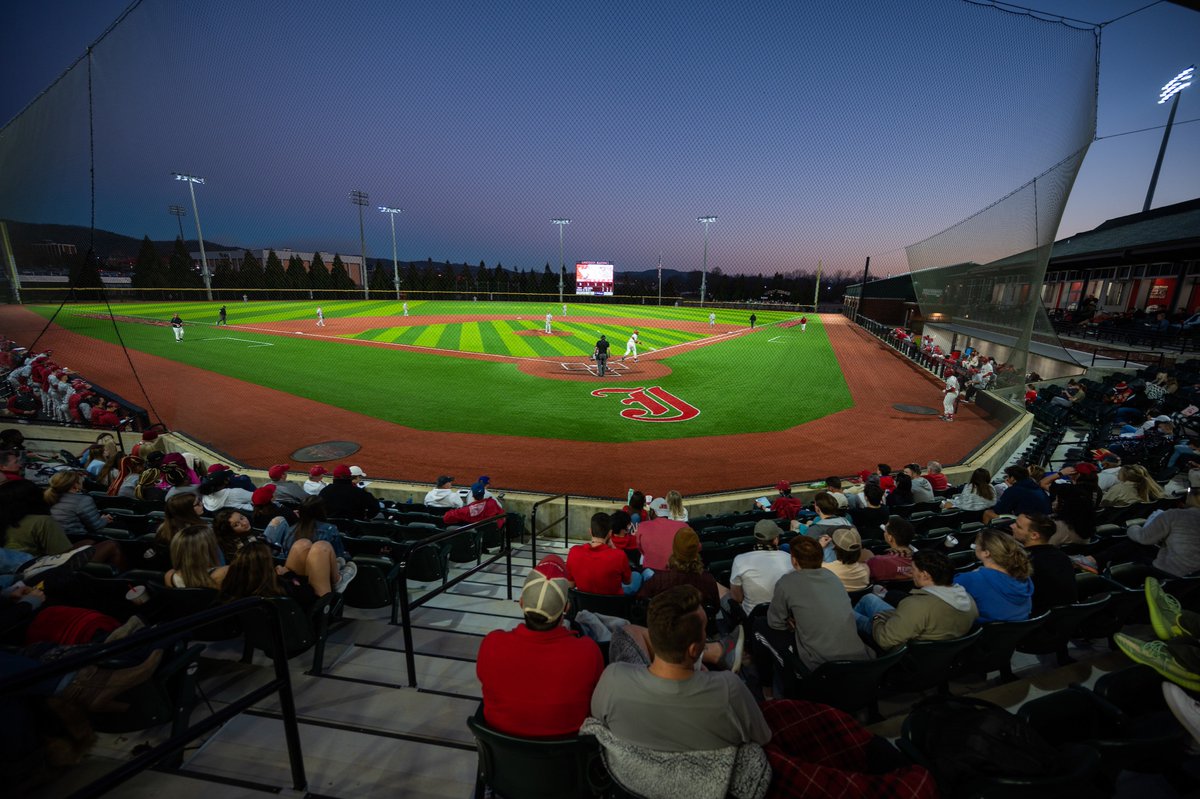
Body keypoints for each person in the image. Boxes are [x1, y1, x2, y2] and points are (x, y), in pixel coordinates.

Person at [592, 584, 770, 750]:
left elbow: (599, 720)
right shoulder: (729, 688)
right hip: (710, 774)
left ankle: (718, 652)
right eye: (704, 631)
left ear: (652, 638)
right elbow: (762, 739)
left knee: (628, 631)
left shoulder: (613, 678)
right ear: (694, 650)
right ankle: (717, 651)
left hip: (633, 779)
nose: (706, 635)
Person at [477, 566, 603, 737]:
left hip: (503, 758)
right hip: (567, 758)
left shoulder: (491, 644)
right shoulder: (588, 652)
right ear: (566, 608)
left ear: (521, 603)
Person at [754, 537, 873, 699]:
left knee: (759, 624)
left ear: (794, 560)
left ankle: (768, 688)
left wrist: (791, 625)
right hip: (860, 659)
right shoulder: (832, 576)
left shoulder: (787, 582)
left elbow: (775, 623)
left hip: (820, 666)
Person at [852, 551, 978, 647]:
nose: (911, 573)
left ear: (925, 575)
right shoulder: (969, 599)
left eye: (913, 569)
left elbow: (885, 640)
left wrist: (877, 619)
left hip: (904, 649)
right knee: (869, 598)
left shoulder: (917, 605)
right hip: (928, 630)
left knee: (848, 614)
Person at [954, 529, 1034, 623]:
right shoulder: (1024, 578)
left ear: (986, 553)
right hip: (1018, 636)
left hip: (983, 635)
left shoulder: (971, 579)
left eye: (976, 545)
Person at [1010, 513, 1077, 616]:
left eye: (1018, 526)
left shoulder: (1023, 563)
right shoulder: (1062, 557)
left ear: (1034, 535)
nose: (1012, 526)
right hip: (1065, 619)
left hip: (1037, 621)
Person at [638, 527, 722, 607]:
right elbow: (715, 607)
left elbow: (643, 604)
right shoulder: (708, 580)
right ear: (697, 548)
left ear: (675, 548)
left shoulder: (657, 581)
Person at [726, 519, 793, 618]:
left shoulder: (740, 560)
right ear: (775, 539)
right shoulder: (789, 558)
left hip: (752, 619)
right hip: (784, 617)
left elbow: (737, 598)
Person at [566, 512, 636, 595]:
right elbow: (628, 581)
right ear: (610, 533)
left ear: (590, 531)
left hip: (584, 605)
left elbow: (570, 585)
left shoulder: (574, 552)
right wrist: (613, 547)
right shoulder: (619, 555)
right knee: (637, 576)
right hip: (614, 605)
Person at [983, 465, 1051, 523]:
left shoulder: (1013, 490)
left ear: (1012, 478)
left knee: (988, 513)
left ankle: (987, 536)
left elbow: (1000, 511)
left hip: (1031, 525)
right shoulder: (1035, 486)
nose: (1006, 478)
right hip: (1043, 520)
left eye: (1008, 476)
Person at [634, 497, 687, 571]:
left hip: (653, 573)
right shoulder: (683, 526)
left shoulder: (642, 526)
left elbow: (640, 549)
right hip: (679, 572)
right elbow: (696, 547)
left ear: (652, 512)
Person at [866, 515, 917, 583]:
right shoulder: (921, 561)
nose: (884, 533)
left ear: (890, 538)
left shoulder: (877, 561)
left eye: (885, 531)